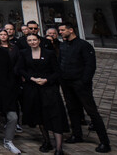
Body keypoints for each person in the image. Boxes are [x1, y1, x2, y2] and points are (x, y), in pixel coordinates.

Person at [57, 23, 111, 153]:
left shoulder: (83, 45)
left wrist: (83, 81)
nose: (60, 32)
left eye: (62, 30)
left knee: (91, 111)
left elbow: (90, 65)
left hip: (80, 83)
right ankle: (77, 134)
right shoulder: (63, 45)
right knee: (72, 109)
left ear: (71, 30)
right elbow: (61, 61)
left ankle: (104, 142)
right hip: (66, 82)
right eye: (59, 30)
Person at [15, 34, 68, 155]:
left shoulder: (49, 53)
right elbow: (20, 69)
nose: (32, 42)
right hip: (33, 88)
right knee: (40, 115)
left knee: (55, 115)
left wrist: (47, 80)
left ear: (39, 40)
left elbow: (57, 71)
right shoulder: (24, 53)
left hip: (48, 88)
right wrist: (31, 78)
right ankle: (46, 141)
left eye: (34, 40)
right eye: (29, 40)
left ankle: (59, 147)